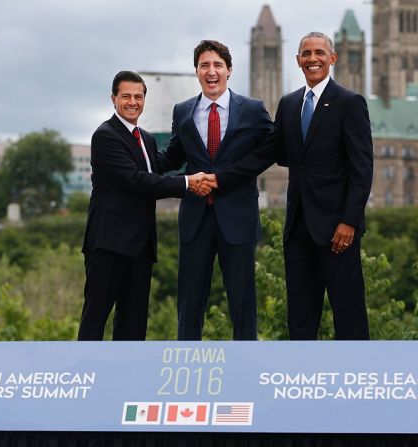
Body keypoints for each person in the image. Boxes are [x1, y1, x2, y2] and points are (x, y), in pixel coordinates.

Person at [215, 32, 373, 340]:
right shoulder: (288, 105)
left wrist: (349, 220)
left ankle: (355, 377)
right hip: (298, 226)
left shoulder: (350, 103)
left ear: (332, 58)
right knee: (300, 311)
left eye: (319, 53)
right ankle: (302, 377)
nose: (313, 59)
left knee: (348, 309)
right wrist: (220, 177)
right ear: (298, 60)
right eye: (306, 54)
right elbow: (268, 153)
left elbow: (362, 169)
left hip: (338, 228)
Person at [78, 70, 215, 341]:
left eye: (138, 97)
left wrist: (190, 128)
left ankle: (127, 379)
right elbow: (138, 181)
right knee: (96, 317)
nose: (132, 102)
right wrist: (188, 183)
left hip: (140, 246)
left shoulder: (146, 138)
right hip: (108, 244)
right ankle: (86, 378)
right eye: (126, 96)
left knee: (134, 322)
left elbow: (160, 164)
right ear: (113, 99)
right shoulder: (105, 136)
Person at [156, 40, 273, 340]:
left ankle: (244, 365)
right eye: (204, 65)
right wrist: (133, 152)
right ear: (196, 71)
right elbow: (171, 156)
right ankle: (186, 365)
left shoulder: (252, 109)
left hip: (238, 220)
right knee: (190, 305)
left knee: (242, 304)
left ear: (229, 70)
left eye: (217, 65)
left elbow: (268, 151)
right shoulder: (183, 111)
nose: (211, 71)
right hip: (195, 222)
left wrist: (224, 178)